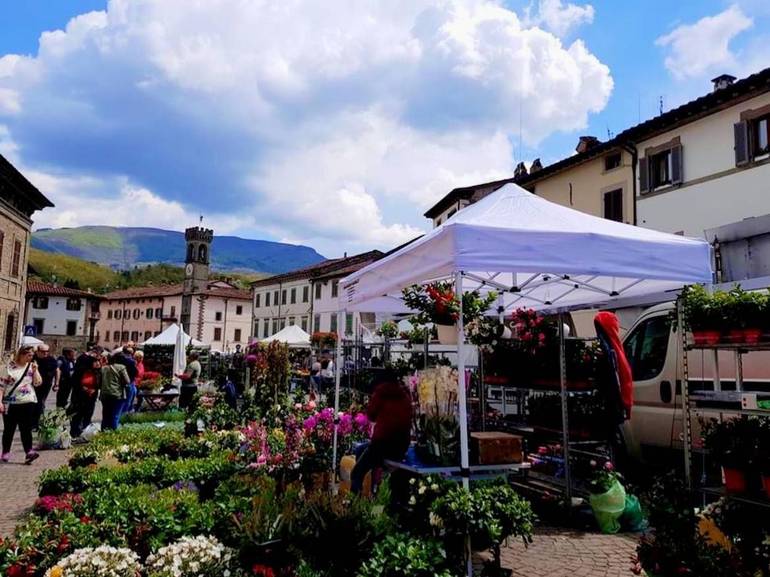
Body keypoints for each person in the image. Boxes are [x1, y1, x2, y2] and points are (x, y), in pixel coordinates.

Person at [351, 370, 412, 494]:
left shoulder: (380, 393)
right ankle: (371, 487)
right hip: (401, 445)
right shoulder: (405, 395)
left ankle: (355, 500)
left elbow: (371, 415)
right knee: (361, 449)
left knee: (356, 473)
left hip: (382, 444)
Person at [0, 345, 42, 464]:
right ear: (22, 354)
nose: (31, 357)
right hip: (11, 402)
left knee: (26, 428)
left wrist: (36, 370)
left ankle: (29, 452)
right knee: (9, 429)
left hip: (27, 401)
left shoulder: (31, 367)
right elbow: (1, 387)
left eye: (32, 355)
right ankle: (6, 452)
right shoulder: (9, 368)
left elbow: (38, 383)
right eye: (29, 355)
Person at [69, 346, 103, 438]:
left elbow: (99, 382)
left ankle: (85, 432)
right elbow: (75, 382)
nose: (98, 363)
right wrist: (84, 388)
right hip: (80, 394)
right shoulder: (81, 368)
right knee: (77, 414)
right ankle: (74, 432)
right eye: (95, 362)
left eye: (98, 361)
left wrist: (95, 389)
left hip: (92, 395)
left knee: (88, 413)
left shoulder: (96, 372)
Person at [100, 353, 130, 431]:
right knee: (115, 415)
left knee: (105, 415)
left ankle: (104, 432)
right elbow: (127, 381)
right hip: (117, 394)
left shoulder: (103, 368)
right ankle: (113, 433)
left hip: (105, 394)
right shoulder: (121, 367)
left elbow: (99, 381)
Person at [33, 344, 60, 429]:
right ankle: (33, 422)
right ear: (37, 351)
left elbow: (57, 371)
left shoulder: (51, 360)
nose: (45, 353)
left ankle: (37, 423)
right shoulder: (33, 359)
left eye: (47, 351)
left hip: (45, 385)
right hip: (32, 385)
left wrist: (56, 383)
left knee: (40, 403)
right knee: (33, 403)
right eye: (43, 351)